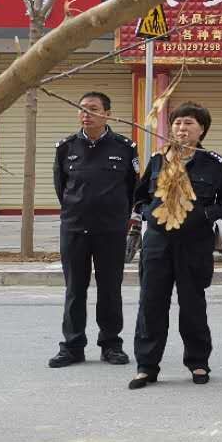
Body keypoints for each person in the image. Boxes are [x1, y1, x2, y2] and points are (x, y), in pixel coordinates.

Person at [128, 102, 222, 389]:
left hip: (194, 244)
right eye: (177, 123)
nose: (181, 128)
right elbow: (139, 197)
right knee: (151, 304)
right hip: (157, 243)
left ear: (202, 130)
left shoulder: (214, 163)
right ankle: (146, 366)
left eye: (188, 123)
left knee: (192, 305)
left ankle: (198, 363)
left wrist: (205, 215)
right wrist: (148, 213)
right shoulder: (158, 160)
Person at [50, 91, 139, 369]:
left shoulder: (125, 147)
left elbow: (132, 188)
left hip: (110, 230)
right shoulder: (66, 147)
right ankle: (72, 346)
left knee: (110, 289)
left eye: (93, 109)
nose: (86, 114)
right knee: (75, 289)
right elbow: (61, 187)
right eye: (82, 109)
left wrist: (120, 217)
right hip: (74, 228)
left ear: (107, 114)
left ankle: (111, 345)